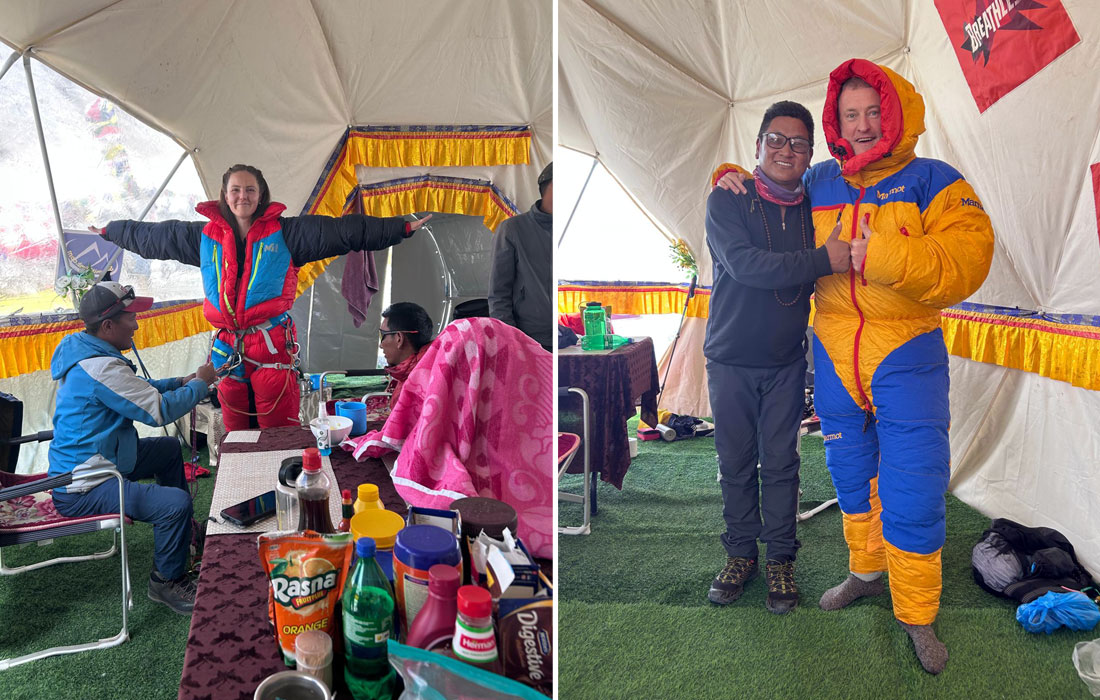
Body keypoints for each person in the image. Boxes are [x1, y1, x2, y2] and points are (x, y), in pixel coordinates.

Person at [716, 59, 994, 672]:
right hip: (835, 353)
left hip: (907, 351)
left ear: (894, 115)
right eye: (851, 115)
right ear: (835, 124)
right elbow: (772, 188)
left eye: (873, 112)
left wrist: (886, 254)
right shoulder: (818, 180)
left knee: (913, 481)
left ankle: (916, 613)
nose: (863, 125)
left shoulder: (933, 179)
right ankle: (866, 573)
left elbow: (971, 256)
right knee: (849, 471)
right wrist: (730, 174)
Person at [93, 164, 431, 432]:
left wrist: (398, 229)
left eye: (250, 190)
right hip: (227, 347)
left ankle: (280, 484)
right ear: (225, 196)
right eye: (236, 190)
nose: (243, 196)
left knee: (278, 430)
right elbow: (154, 237)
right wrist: (111, 232)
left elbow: (343, 232)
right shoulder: (203, 237)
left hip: (271, 345)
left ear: (261, 195)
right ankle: (241, 488)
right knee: (236, 429)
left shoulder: (289, 234)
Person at [704, 101, 850, 615]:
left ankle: (781, 559)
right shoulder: (728, 199)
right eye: (776, 140)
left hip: (787, 361)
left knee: (783, 463)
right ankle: (741, 554)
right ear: (759, 145)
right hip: (730, 359)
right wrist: (822, 260)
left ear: (810, 154)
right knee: (736, 462)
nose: (787, 150)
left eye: (799, 143)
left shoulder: (816, 205)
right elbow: (744, 265)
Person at [49, 281, 218, 614]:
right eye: (131, 318)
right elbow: (159, 411)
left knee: (168, 449)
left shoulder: (89, 352)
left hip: (101, 458)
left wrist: (180, 382)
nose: (137, 325)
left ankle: (183, 532)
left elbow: (136, 387)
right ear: (108, 326)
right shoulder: (100, 367)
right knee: (175, 503)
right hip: (85, 484)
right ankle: (166, 581)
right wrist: (201, 384)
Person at [488, 162, 553, 351]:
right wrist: (510, 340)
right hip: (527, 340)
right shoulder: (513, 229)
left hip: (565, 338)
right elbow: (498, 293)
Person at [378, 301, 434, 408]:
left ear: (399, 338)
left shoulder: (413, 389)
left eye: (382, 335)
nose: (381, 345)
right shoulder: (432, 369)